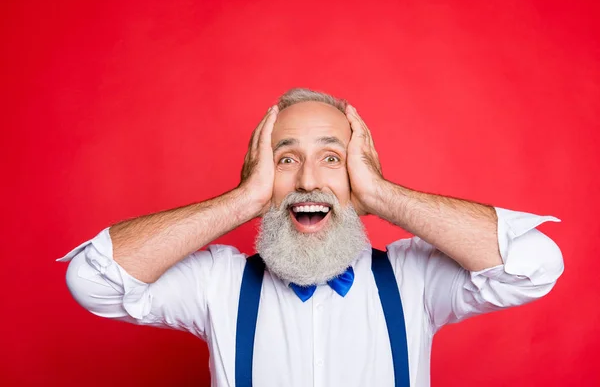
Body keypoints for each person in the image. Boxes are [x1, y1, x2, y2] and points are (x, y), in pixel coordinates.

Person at [58, 88, 564, 387]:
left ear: (358, 175)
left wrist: (383, 195)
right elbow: (92, 279)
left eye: (332, 158)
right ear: (261, 175)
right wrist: (243, 200)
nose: (306, 181)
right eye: (285, 160)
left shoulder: (413, 279)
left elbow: (534, 263)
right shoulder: (219, 282)